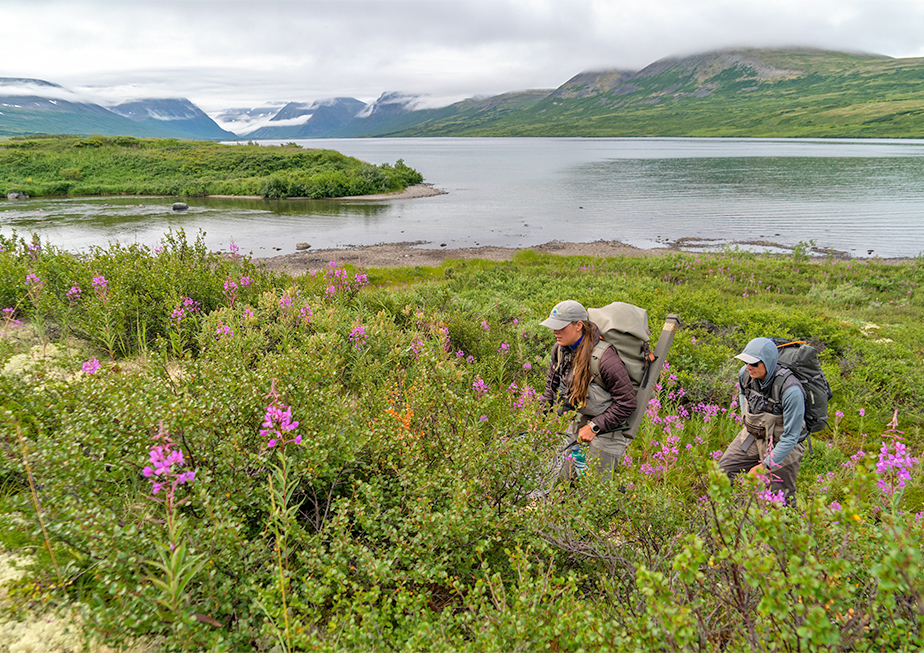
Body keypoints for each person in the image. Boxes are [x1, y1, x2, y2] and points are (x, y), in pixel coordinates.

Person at [539, 300, 637, 479]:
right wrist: (539, 419)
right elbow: (550, 390)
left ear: (579, 325)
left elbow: (627, 403)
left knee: (592, 490)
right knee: (561, 479)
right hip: (580, 422)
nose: (555, 332)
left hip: (611, 430)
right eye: (553, 327)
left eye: (561, 327)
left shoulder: (606, 359)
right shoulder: (560, 350)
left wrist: (594, 426)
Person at [719, 337, 807, 506]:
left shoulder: (791, 390)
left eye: (754, 363)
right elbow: (743, 393)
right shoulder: (745, 375)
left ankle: (788, 528)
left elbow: (791, 437)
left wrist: (765, 465)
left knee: (779, 497)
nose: (748, 367)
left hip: (783, 444)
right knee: (724, 471)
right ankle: (732, 519)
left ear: (768, 362)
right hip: (752, 436)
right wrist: (746, 415)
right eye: (746, 361)